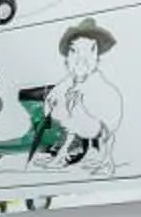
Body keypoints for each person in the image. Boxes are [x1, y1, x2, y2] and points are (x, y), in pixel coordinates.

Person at [49, 19, 123, 173]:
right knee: (70, 124)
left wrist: (84, 94)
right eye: (74, 51)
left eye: (91, 49)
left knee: (105, 129)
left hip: (95, 124)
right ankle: (62, 154)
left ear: (96, 55)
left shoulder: (101, 87)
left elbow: (108, 112)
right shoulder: (66, 84)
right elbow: (55, 104)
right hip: (77, 119)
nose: (80, 59)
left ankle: (107, 160)